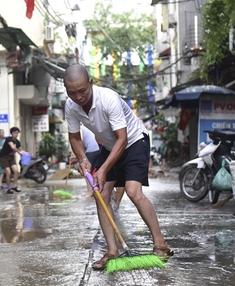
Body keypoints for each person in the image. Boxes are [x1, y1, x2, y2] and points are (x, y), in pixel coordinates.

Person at [63, 64, 171, 271]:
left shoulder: (108, 99)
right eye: (72, 93)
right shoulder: (70, 106)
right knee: (101, 194)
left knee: (132, 191)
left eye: (82, 91)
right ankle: (112, 250)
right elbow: (74, 137)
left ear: (91, 84)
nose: (77, 97)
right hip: (110, 145)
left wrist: (102, 169)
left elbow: (122, 139)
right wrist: (82, 158)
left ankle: (160, 244)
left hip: (133, 142)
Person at [0, 127, 27, 194]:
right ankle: (9, 188)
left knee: (16, 171)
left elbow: (21, 150)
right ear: (11, 133)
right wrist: (18, 152)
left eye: (17, 133)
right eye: (14, 133)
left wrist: (28, 153)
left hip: (11, 157)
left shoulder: (17, 142)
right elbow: (12, 147)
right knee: (8, 172)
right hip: (4, 157)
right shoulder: (9, 139)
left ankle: (14, 186)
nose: (16, 134)